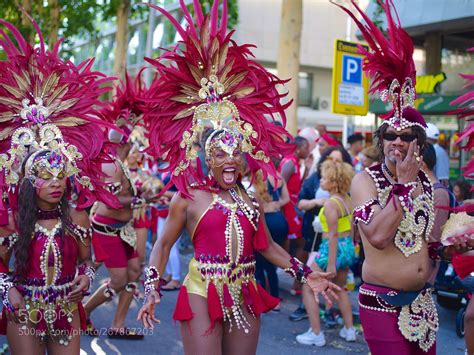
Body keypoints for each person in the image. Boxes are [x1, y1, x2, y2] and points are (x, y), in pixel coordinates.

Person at [136, 2, 340, 354]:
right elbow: (162, 245)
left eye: (235, 154)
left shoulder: (248, 199)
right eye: (220, 154)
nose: (230, 161)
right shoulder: (188, 196)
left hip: (243, 289)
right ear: (206, 157)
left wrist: (306, 274)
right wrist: (152, 286)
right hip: (202, 289)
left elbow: (268, 247)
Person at [0, 20, 118, 353]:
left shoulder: (76, 218)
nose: (55, 183)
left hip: (67, 311)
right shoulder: (14, 220)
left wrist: (85, 279)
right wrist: (7, 290)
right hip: (24, 311)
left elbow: (88, 261)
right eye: (45, 176)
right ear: (27, 182)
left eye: (59, 175)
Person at [336, 1, 444, 353]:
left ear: (419, 142)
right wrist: (401, 186)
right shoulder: (365, 180)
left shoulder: (425, 181)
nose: (398, 142)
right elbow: (379, 237)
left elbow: (429, 240)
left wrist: (450, 246)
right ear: (380, 141)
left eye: (408, 136)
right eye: (391, 136)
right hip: (382, 303)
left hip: (422, 304)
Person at [84, 76, 157, 339]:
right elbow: (107, 201)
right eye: (130, 129)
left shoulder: (121, 160)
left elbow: (126, 195)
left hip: (123, 228)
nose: (134, 132)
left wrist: (142, 195)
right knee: (117, 280)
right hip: (106, 229)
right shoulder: (110, 165)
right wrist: (140, 200)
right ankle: (82, 313)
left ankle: (117, 325)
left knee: (134, 273)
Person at [296, 158, 356, 346]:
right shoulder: (347, 199)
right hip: (347, 247)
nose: (321, 181)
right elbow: (351, 228)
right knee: (342, 288)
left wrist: (331, 263)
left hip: (332, 249)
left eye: (324, 178)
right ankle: (349, 330)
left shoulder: (331, 204)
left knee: (307, 284)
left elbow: (332, 236)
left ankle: (316, 334)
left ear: (334, 181)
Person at [253, 170, 290, 310]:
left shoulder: (258, 175)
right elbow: (286, 198)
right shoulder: (278, 175)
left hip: (265, 221)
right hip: (279, 220)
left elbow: (256, 199)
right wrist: (277, 203)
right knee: (271, 263)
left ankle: (263, 299)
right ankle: (275, 299)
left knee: (260, 263)